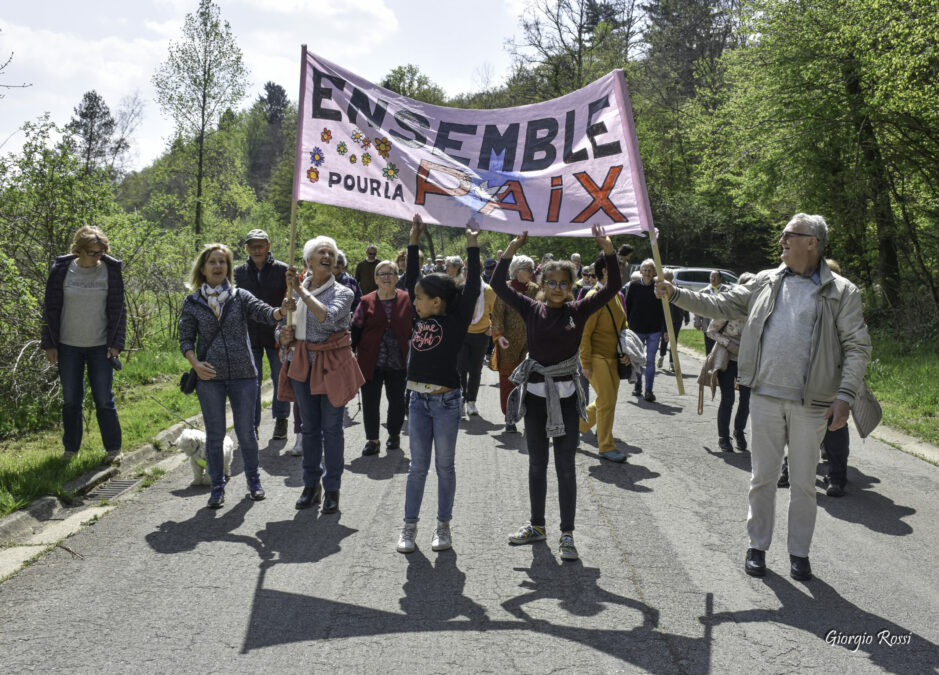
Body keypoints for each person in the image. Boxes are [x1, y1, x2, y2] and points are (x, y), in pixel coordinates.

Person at [655, 213, 872, 581]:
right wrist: (675, 294)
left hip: (813, 404)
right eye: (783, 235)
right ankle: (757, 546)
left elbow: (857, 347)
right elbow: (721, 306)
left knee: (803, 483)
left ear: (812, 243)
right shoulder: (764, 282)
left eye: (790, 235)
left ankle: (799, 554)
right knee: (762, 478)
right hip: (765, 397)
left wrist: (846, 396)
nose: (782, 241)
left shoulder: (843, 292)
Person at [493, 227, 620, 562]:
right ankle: (537, 526)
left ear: (572, 285)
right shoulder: (531, 309)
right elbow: (495, 285)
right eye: (552, 283)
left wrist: (608, 250)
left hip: (565, 400)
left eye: (565, 283)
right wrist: (511, 247)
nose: (559, 289)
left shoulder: (577, 311)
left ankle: (567, 534)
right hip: (535, 399)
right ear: (543, 284)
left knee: (565, 466)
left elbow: (614, 287)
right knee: (537, 464)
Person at [179, 244, 294, 508]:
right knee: (215, 434)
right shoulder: (193, 301)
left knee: (246, 432)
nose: (218, 266)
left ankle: (254, 481)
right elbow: (185, 338)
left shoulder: (240, 296)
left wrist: (281, 311)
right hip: (209, 378)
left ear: (229, 268)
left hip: (244, 375)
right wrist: (195, 364)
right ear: (203, 268)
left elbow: (265, 313)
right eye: (212, 262)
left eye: (223, 262)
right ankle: (217, 487)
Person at [396, 215, 480, 555]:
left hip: (446, 403)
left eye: (419, 298)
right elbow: (411, 278)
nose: (413, 302)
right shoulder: (419, 316)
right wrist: (413, 240)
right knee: (418, 468)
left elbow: (472, 286)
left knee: (445, 467)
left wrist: (472, 244)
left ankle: (442, 527)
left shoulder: (456, 321)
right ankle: (409, 527)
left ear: (437, 301)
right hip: (417, 401)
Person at [278, 236, 363, 515]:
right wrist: (283, 334)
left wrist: (300, 292)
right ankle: (311, 485)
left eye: (331, 253)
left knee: (332, 429)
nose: (327, 255)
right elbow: (283, 328)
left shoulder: (344, 292)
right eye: (321, 252)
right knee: (309, 429)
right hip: (302, 364)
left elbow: (327, 316)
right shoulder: (294, 291)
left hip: (332, 366)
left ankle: (333, 489)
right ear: (309, 261)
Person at [41, 225, 126, 465]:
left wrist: (116, 344)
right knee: (71, 400)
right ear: (78, 250)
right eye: (92, 252)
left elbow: (120, 311)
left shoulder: (111, 271)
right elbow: (50, 309)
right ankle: (71, 450)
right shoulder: (61, 270)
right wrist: (49, 343)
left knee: (103, 398)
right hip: (68, 346)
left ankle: (113, 449)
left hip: (101, 347)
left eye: (101, 251)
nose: (97, 256)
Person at [234, 228, 290, 441]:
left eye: (261, 245)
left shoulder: (283, 270)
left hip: (276, 334)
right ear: (246, 248)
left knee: (279, 378)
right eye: (252, 246)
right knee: (251, 382)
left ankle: (282, 419)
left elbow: (289, 302)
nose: (257, 250)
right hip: (249, 335)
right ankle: (253, 425)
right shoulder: (238, 272)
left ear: (268, 246)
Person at [351, 260, 411, 456]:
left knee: (397, 401)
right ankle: (373, 440)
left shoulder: (407, 299)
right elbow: (356, 329)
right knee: (370, 402)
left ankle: (394, 435)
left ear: (397, 277)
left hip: (398, 361)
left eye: (391, 273)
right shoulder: (365, 301)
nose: (386, 277)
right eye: (382, 274)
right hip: (370, 361)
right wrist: (350, 352)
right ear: (375, 278)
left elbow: (415, 327)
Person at [578, 253, 629, 462]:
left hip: (613, 358)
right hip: (596, 357)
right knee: (607, 400)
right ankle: (606, 446)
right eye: (618, 268)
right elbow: (585, 333)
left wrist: (627, 352)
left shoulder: (615, 294)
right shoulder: (593, 296)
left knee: (607, 400)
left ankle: (576, 425)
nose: (623, 272)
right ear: (606, 271)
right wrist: (586, 363)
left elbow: (623, 325)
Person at [705, 272, 755, 452]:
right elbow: (711, 331)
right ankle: (723, 437)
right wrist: (729, 343)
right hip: (728, 358)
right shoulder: (729, 307)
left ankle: (739, 431)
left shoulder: (759, 310)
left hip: (748, 360)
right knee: (728, 398)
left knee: (747, 400)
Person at [490, 254, 539, 432]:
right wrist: (498, 336)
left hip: (530, 343)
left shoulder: (535, 289)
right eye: (528, 269)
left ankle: (530, 416)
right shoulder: (505, 289)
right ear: (517, 271)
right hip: (508, 344)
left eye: (532, 269)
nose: (532, 272)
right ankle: (510, 417)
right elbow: (497, 315)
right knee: (508, 381)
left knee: (530, 380)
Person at [624, 259, 666, 402]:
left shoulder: (659, 286)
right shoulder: (634, 286)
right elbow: (627, 307)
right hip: (636, 329)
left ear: (654, 271)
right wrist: (625, 325)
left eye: (650, 270)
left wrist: (665, 329)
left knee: (650, 360)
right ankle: (638, 385)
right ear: (640, 271)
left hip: (654, 329)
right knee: (637, 359)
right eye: (645, 270)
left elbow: (665, 310)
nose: (647, 273)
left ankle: (649, 390)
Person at [458, 266, 494, 417]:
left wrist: (492, 328)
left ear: (478, 270)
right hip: (462, 334)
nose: (467, 271)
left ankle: (471, 401)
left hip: (481, 334)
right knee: (460, 369)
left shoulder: (488, 290)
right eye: (464, 268)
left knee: (475, 370)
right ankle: (460, 399)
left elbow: (496, 311)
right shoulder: (459, 288)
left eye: (470, 268)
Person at [657, 270, 689, 370]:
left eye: (666, 278)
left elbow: (685, 304)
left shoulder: (678, 289)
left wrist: (686, 317)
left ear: (671, 279)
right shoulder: (660, 291)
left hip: (677, 319)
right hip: (665, 319)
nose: (664, 281)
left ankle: (672, 362)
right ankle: (662, 356)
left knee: (673, 341)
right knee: (665, 339)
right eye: (663, 278)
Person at [694, 270, 732, 354]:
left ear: (720, 278)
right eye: (711, 276)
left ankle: (719, 365)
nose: (713, 279)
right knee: (709, 348)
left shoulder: (728, 291)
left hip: (723, 326)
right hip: (707, 324)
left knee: (721, 349)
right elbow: (697, 308)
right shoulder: (703, 291)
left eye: (715, 277)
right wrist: (697, 322)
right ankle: (709, 365)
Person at [334, 250, 363, 315]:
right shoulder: (321, 280)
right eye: (334, 261)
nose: (336, 264)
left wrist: (353, 315)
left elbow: (359, 301)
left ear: (343, 264)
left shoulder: (351, 281)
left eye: (339, 262)